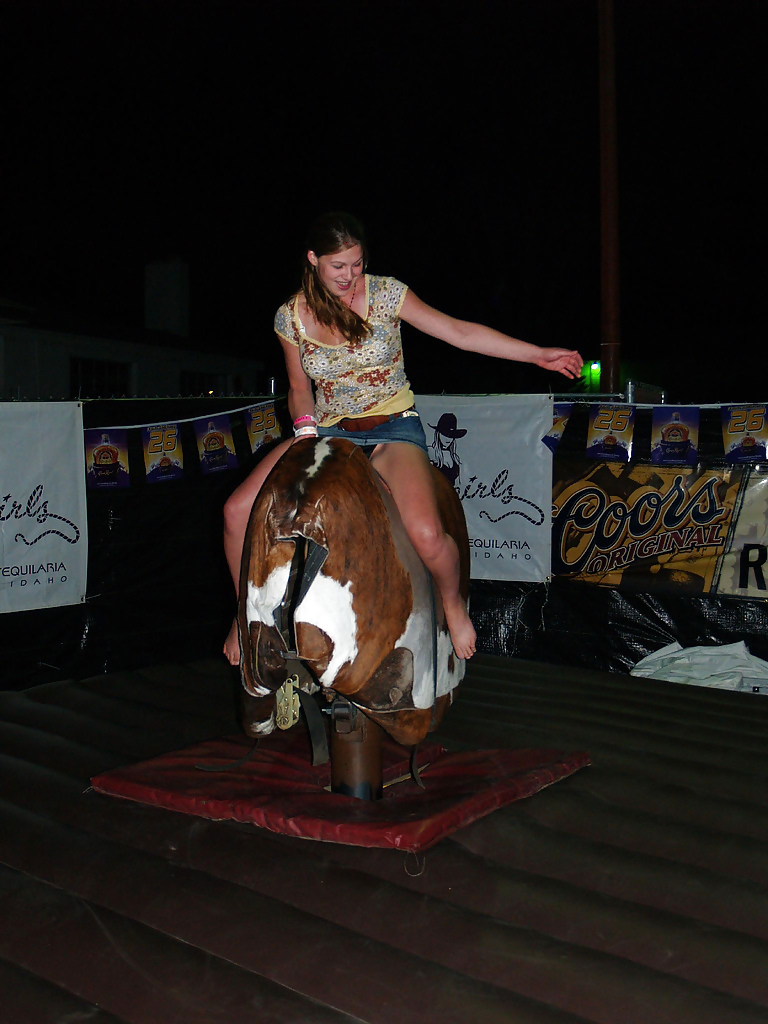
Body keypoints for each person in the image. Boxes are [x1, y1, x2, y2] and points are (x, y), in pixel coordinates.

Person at [223, 211, 583, 666]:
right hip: (326, 429)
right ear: (313, 260)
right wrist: (306, 430)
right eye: (339, 266)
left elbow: (459, 332)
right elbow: (298, 387)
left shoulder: (387, 293)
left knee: (429, 535)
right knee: (237, 512)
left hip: (393, 426)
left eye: (357, 263)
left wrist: (538, 355)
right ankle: (247, 612)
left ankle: (452, 603)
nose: (350, 276)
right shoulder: (290, 317)